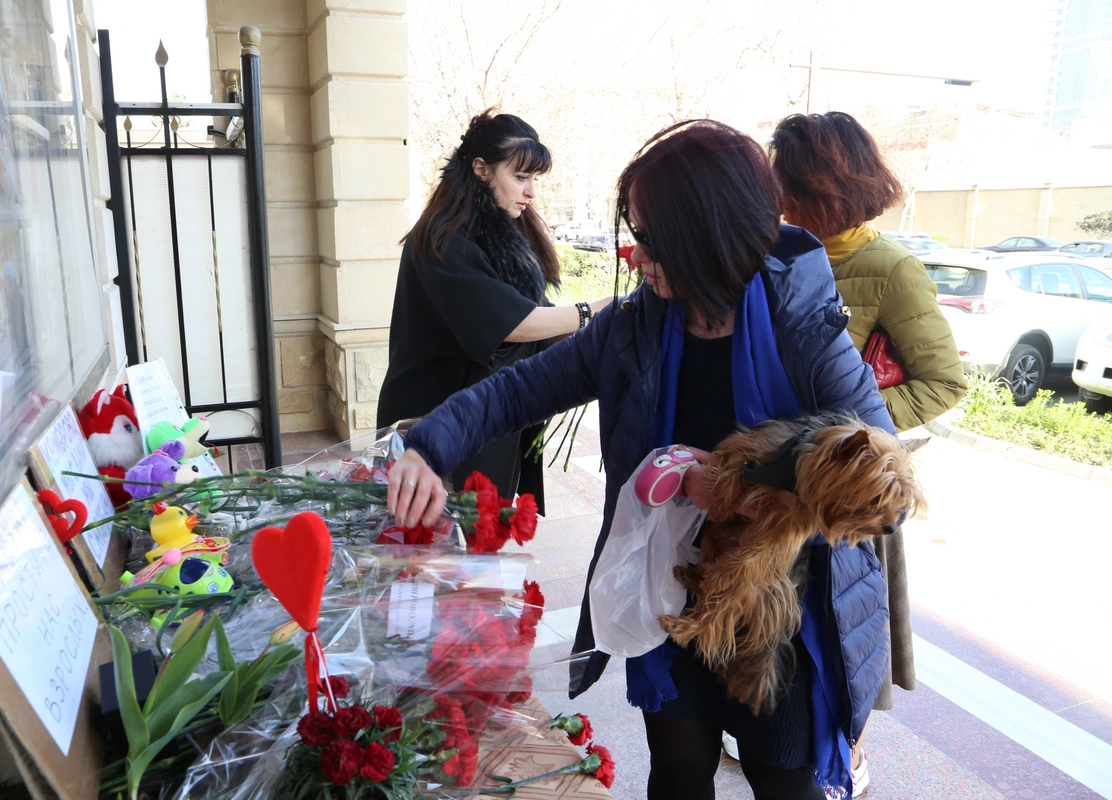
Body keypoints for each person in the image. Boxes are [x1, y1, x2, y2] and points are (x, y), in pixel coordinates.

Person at [385, 119, 895, 800]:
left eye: (651, 237)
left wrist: (744, 486)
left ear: (706, 235)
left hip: (782, 603)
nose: (634, 253)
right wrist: (427, 444)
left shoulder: (801, 326)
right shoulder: (635, 327)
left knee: (782, 779)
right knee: (679, 769)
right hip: (669, 582)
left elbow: (880, 475)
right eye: (635, 231)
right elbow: (520, 389)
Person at [769, 110, 967, 795]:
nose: (776, 192)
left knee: (851, 637)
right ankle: (788, 740)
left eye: (787, 180)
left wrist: (857, 439)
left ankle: (845, 760)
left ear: (824, 184)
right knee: (784, 628)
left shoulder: (890, 266)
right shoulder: (777, 253)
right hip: (782, 481)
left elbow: (943, 381)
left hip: (850, 493)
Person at [376, 110, 610, 501]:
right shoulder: (444, 236)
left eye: (534, 179)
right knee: (440, 548)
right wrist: (594, 311)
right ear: (481, 169)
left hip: (481, 418)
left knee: (470, 541)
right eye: (521, 178)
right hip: (435, 423)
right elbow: (512, 323)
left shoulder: (502, 236)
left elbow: (541, 316)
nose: (531, 191)